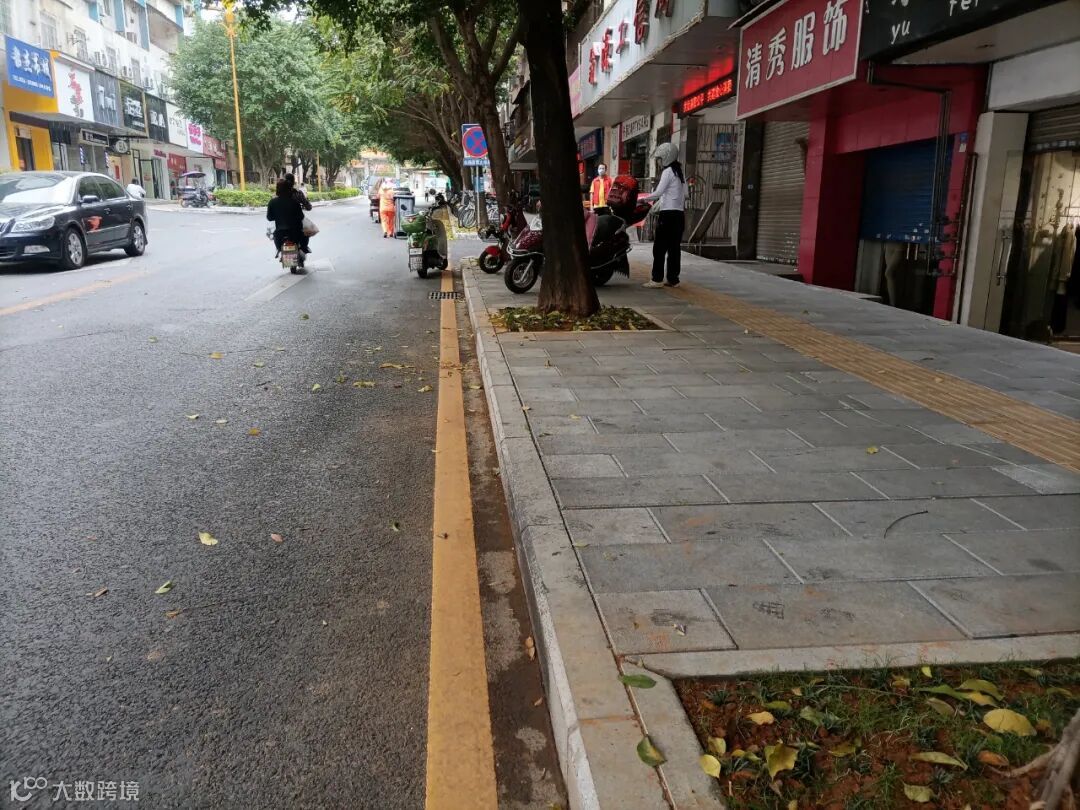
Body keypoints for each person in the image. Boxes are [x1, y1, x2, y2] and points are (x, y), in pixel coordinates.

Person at [641, 142, 686, 289]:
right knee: (674, 249)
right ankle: (673, 279)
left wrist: (643, 199)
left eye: (659, 159)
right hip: (679, 215)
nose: (659, 162)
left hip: (668, 215)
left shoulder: (667, 172)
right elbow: (686, 194)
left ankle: (657, 279)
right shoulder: (679, 172)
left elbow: (658, 193)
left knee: (659, 248)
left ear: (666, 157)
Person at [267, 178, 308, 261]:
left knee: (273, 236)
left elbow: (269, 217)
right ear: (289, 189)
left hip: (280, 233)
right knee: (306, 235)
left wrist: (278, 216)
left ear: (277, 189)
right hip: (296, 232)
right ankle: (303, 249)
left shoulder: (272, 202)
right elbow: (301, 216)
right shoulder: (294, 202)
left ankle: (279, 250)